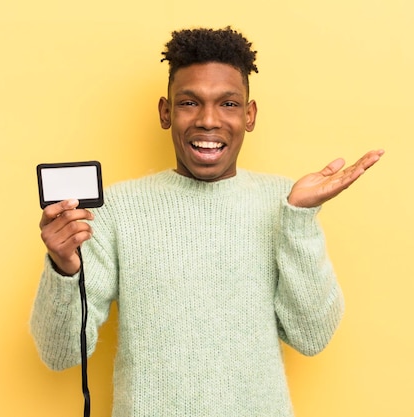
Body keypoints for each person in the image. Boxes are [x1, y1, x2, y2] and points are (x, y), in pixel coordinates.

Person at [30, 26, 384, 416]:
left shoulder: (284, 203)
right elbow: (59, 353)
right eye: (189, 103)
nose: (209, 120)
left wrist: (298, 219)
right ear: (166, 112)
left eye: (228, 104)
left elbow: (312, 336)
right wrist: (64, 269)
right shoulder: (117, 209)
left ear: (249, 116)